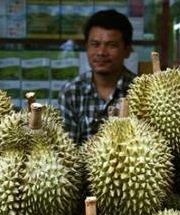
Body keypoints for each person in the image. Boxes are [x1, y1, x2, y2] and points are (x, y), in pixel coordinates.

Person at [57, 9, 137, 145]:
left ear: (127, 50)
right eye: (95, 44)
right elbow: (64, 150)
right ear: (87, 48)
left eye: (111, 45)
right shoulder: (71, 92)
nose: (101, 52)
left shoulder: (141, 92)